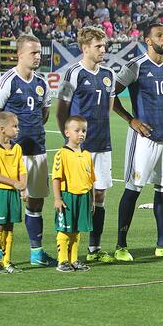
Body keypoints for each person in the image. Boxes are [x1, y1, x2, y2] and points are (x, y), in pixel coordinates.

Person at [0, 34, 57, 266]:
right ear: (19, 54)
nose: (38, 57)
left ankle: (36, 253)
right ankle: (3, 259)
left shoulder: (42, 83)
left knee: (36, 202)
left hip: (37, 149)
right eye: (33, 53)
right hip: (13, 156)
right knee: (8, 207)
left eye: (39, 52)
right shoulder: (8, 80)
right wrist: (6, 148)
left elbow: (43, 115)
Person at [112, 22, 163, 261]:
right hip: (143, 139)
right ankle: (121, 244)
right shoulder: (136, 66)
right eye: (160, 36)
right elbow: (112, 97)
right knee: (133, 189)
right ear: (148, 41)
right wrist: (131, 121)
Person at [55, 26, 116, 263]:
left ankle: (94, 248)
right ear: (85, 48)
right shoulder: (72, 73)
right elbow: (61, 111)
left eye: (104, 46)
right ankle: (68, 252)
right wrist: (69, 141)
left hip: (103, 143)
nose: (103, 50)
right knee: (77, 196)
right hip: (79, 149)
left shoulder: (109, 74)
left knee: (99, 195)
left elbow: (108, 109)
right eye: (98, 46)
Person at [0, 112, 27, 274]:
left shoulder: (17, 148)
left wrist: (23, 188)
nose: (18, 129)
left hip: (13, 193)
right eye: (14, 126)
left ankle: (7, 261)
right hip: (0, 192)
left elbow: (22, 170)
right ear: (2, 129)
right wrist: (14, 183)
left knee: (10, 227)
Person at [52, 116, 95, 272]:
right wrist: (57, 198)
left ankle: (74, 259)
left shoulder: (87, 155)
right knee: (64, 229)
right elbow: (56, 178)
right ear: (67, 132)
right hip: (68, 197)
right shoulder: (61, 154)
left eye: (83, 130)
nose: (81, 134)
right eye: (77, 130)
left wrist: (92, 200)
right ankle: (62, 260)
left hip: (83, 197)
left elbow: (91, 180)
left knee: (76, 230)